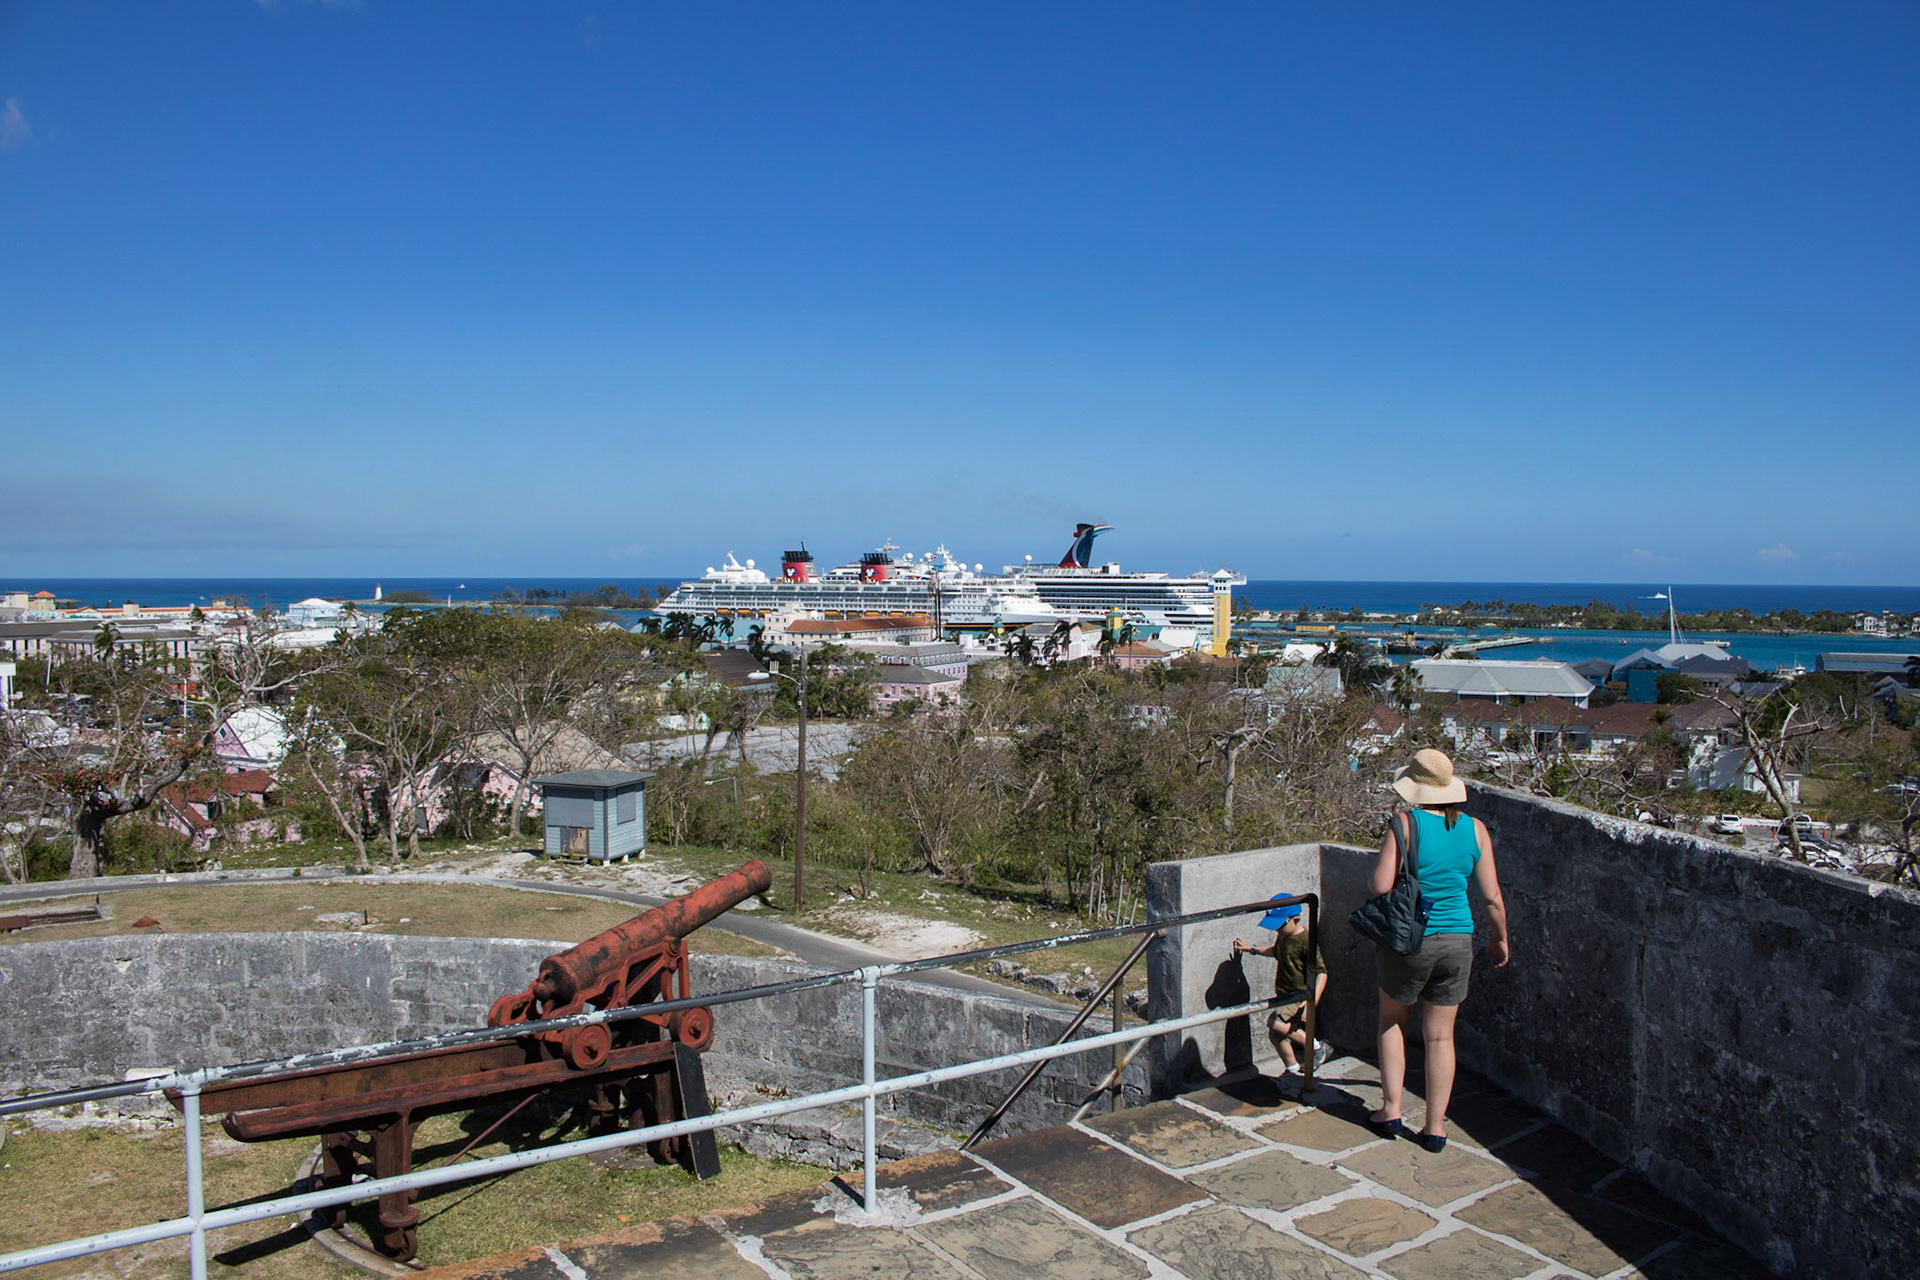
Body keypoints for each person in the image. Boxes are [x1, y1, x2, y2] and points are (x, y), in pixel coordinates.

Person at [1366, 748, 1509, 1153]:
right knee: (1441, 1038)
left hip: (1411, 939)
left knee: (1392, 1021)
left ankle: (1390, 1111)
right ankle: (1434, 1128)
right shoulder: (1476, 829)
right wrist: (1499, 938)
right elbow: (1492, 897)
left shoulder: (1404, 825)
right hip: (1458, 940)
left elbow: (1379, 886)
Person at [1232, 895, 1330, 1081]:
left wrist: (1312, 1001)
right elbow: (1274, 951)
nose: (1277, 930)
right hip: (1284, 994)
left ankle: (1317, 1047)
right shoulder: (1283, 937)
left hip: (1299, 995)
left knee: (1276, 1023)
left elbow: (1322, 972)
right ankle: (1292, 1070)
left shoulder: (1305, 941)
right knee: (1276, 1035)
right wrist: (1252, 949)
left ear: (1296, 919)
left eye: (1280, 925)